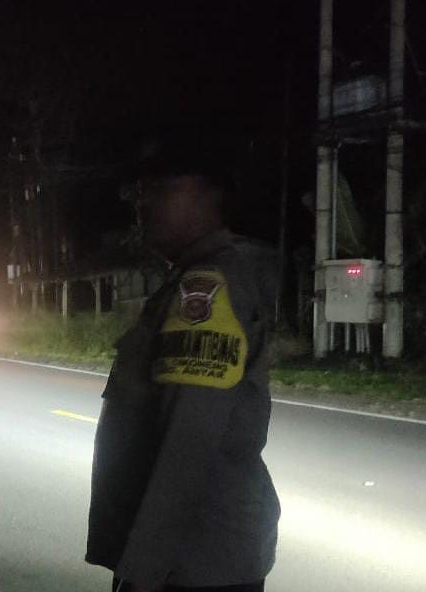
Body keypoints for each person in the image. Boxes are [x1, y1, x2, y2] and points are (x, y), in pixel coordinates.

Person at [86, 150, 281, 592]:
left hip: (194, 561)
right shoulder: (188, 278)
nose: (143, 204)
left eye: (162, 189)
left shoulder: (207, 286)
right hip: (197, 557)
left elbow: (188, 440)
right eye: (141, 192)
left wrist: (144, 570)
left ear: (210, 196)